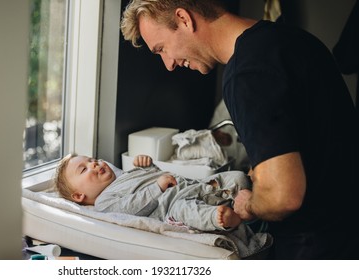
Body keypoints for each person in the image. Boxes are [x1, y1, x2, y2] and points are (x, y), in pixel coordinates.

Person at [120, 0, 359, 259]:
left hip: (317, 248)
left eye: (161, 49)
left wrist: (251, 203)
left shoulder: (246, 74)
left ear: (184, 19)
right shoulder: (293, 39)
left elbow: (283, 196)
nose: (168, 64)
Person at [54, 153, 252, 232]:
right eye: (84, 169)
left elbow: (160, 175)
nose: (93, 164)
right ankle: (221, 218)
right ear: (79, 196)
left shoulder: (125, 175)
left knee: (237, 177)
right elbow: (130, 209)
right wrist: (156, 187)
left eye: (91, 159)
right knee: (187, 210)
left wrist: (148, 165)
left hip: (193, 186)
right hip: (171, 206)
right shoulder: (103, 203)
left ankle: (241, 202)